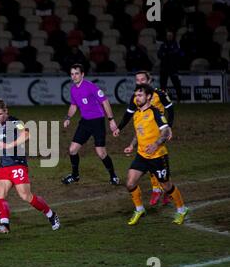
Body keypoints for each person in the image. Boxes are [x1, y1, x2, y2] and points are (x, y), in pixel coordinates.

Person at [0, 99, 60, 233]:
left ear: (6, 111)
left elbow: (26, 134)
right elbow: (1, 140)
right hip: (4, 166)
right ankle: (4, 225)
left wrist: (7, 146)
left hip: (18, 165)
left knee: (25, 196)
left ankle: (51, 214)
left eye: (0, 114)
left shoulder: (16, 122)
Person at [124, 84, 188, 225]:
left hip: (158, 156)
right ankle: (139, 209)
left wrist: (156, 144)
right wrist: (131, 145)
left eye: (140, 95)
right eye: (136, 95)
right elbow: (138, 132)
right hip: (142, 155)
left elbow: (165, 131)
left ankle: (182, 210)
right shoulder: (136, 114)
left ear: (148, 97)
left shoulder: (156, 112)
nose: (137, 98)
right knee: (130, 183)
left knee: (166, 186)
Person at [113, 71, 174, 206]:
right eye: (137, 80)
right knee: (150, 158)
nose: (140, 82)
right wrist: (119, 128)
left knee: (158, 160)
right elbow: (128, 115)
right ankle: (157, 189)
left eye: (142, 79)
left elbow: (171, 110)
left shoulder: (160, 94)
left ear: (149, 80)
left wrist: (169, 128)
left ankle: (164, 190)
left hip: (159, 131)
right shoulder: (137, 97)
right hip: (146, 131)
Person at [62, 63, 120, 185]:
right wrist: (68, 117)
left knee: (101, 153)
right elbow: (74, 105)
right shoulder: (73, 89)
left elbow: (105, 102)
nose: (74, 76)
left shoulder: (91, 86)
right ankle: (75, 176)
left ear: (82, 74)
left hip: (97, 122)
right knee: (72, 150)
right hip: (85, 122)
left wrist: (111, 120)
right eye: (72, 74)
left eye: (76, 73)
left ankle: (113, 176)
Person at [158, 30, 183, 103]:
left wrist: (167, 54)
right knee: (163, 85)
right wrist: (168, 54)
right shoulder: (163, 45)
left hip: (173, 68)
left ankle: (179, 99)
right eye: (168, 35)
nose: (169, 37)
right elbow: (159, 54)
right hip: (164, 68)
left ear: (173, 36)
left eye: (170, 35)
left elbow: (178, 53)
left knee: (176, 83)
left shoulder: (176, 44)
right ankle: (163, 100)